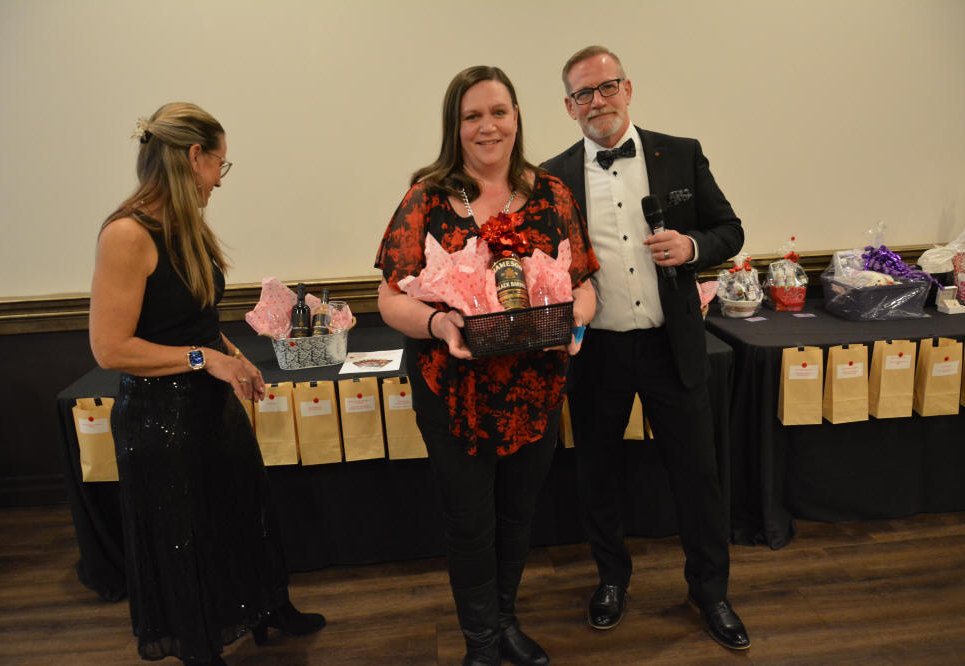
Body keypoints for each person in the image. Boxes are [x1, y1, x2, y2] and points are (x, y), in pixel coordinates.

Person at [375, 66, 598, 666]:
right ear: (455, 126)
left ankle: (504, 621)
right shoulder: (426, 198)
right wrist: (439, 324)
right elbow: (390, 298)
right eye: (472, 116)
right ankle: (479, 642)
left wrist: (575, 323)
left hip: (535, 389)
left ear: (517, 117)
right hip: (454, 391)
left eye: (498, 112)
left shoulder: (554, 195)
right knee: (470, 523)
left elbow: (582, 284)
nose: (487, 126)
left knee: (518, 516)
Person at [89, 102, 324, 665]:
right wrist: (205, 359)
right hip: (159, 420)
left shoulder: (184, 224)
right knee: (184, 537)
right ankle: (199, 647)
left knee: (243, 511)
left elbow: (190, 319)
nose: (220, 179)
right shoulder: (127, 234)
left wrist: (234, 357)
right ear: (195, 157)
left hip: (208, 407)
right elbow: (111, 348)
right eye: (220, 164)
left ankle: (268, 608)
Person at [541, 46, 750, 651]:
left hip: (671, 345)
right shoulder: (550, 177)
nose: (597, 101)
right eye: (584, 93)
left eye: (607, 87)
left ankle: (710, 591)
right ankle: (611, 580)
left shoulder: (680, 153)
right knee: (598, 475)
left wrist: (691, 247)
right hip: (596, 351)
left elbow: (730, 230)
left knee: (698, 475)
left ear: (628, 90)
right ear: (569, 106)